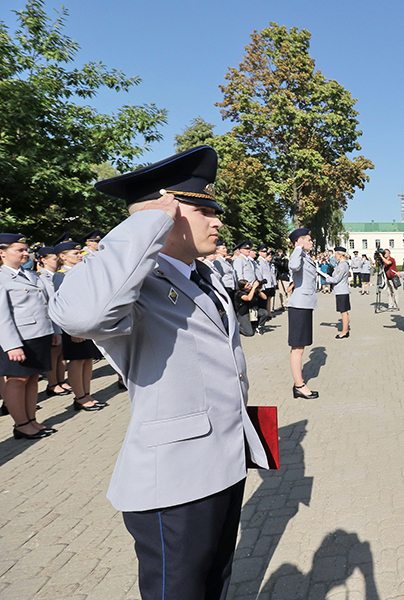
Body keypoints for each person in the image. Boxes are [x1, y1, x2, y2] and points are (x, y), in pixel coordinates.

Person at [49, 146, 271, 600]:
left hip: (223, 462)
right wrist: (148, 220)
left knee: (215, 584)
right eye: (203, 209)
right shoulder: (132, 286)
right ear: (164, 213)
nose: (217, 221)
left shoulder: (202, 277)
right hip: (175, 480)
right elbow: (81, 316)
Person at [0, 234, 61, 439]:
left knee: (33, 378)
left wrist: (54, 330)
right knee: (17, 380)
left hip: (39, 335)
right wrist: (11, 346)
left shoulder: (31, 275)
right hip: (18, 338)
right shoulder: (2, 277)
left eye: (26, 249)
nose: (26, 253)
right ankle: (21, 424)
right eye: (19, 250)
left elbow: (45, 305)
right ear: (2, 253)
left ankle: (32, 420)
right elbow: (2, 315)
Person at [55, 237, 106, 411]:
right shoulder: (60, 276)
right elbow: (64, 304)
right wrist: (72, 331)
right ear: (62, 256)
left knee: (88, 359)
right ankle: (79, 397)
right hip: (74, 327)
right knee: (77, 361)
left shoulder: (80, 271)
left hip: (86, 324)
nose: (79, 255)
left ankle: (87, 393)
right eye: (75, 253)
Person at [287, 227, 320, 399]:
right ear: (299, 241)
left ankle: (299, 384)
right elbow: (293, 266)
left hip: (305, 304)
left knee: (301, 346)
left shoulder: (306, 257)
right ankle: (299, 385)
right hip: (299, 305)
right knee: (297, 348)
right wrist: (298, 247)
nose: (311, 242)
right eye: (308, 239)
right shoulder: (297, 254)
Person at [35, 247, 70, 397]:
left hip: (60, 318)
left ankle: (61, 380)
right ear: (44, 260)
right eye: (54, 259)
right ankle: (52, 383)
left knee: (62, 353)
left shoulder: (56, 275)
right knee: (53, 353)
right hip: (51, 320)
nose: (57, 261)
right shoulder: (41, 277)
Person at [323, 246, 351, 339]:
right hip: (341, 290)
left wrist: (326, 278)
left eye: (336, 254)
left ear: (339, 255)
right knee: (343, 311)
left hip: (341, 291)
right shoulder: (341, 264)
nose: (335, 256)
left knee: (343, 312)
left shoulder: (342, 265)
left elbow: (336, 279)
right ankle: (345, 330)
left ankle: (344, 331)